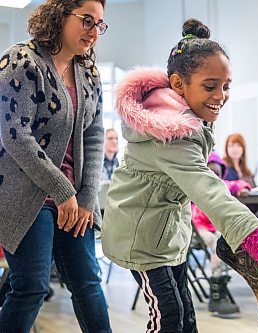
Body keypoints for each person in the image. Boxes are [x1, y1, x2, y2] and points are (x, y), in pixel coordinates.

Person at [101, 19, 258, 332]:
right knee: (168, 319)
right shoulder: (169, 133)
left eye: (226, 86)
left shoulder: (188, 118)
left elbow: (201, 177)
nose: (221, 96)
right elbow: (211, 194)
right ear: (178, 84)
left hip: (167, 234)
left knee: (186, 317)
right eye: (210, 87)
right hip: (140, 239)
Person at [0, 1, 111, 332]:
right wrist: (62, 190)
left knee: (88, 283)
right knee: (31, 288)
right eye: (87, 21)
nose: (93, 32)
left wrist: (87, 194)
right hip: (26, 197)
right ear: (60, 15)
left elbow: (94, 134)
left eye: (100, 25)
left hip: (75, 201)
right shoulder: (21, 61)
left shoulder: (88, 72)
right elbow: (14, 133)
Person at [191, 150, 251, 315]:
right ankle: (217, 293)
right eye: (209, 171)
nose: (213, 176)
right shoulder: (194, 187)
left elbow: (236, 183)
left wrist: (244, 187)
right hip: (197, 228)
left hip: (215, 228)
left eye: (217, 173)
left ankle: (219, 288)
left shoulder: (222, 185)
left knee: (223, 241)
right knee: (217, 244)